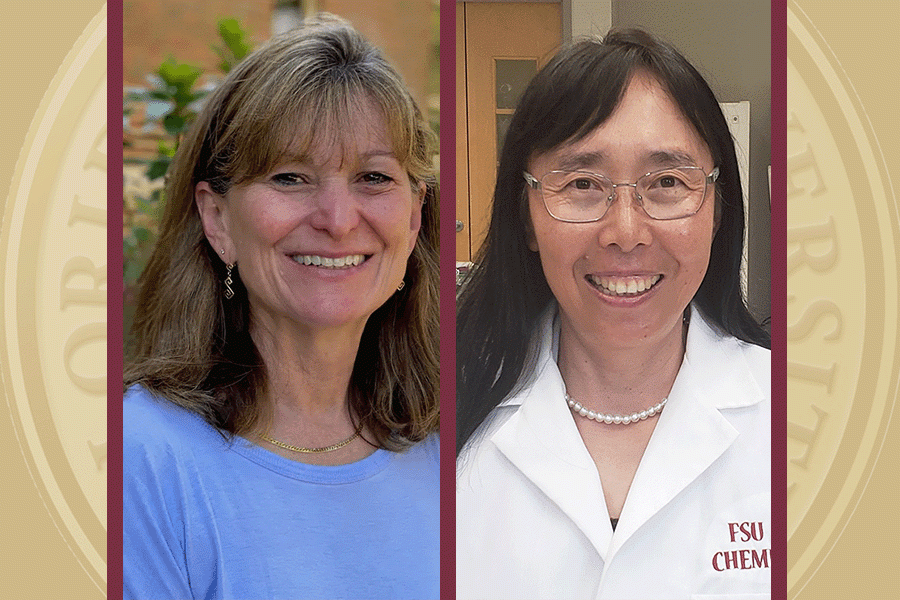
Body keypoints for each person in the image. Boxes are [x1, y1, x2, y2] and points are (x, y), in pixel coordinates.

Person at [123, 15, 439, 600]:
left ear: (415, 217)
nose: (338, 220)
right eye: (291, 177)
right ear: (217, 219)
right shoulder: (140, 458)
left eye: (373, 177)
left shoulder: (459, 446)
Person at [456, 29, 770, 599]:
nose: (625, 231)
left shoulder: (802, 418)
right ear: (524, 217)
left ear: (718, 209)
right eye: (581, 184)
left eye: (667, 182)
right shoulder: (434, 420)